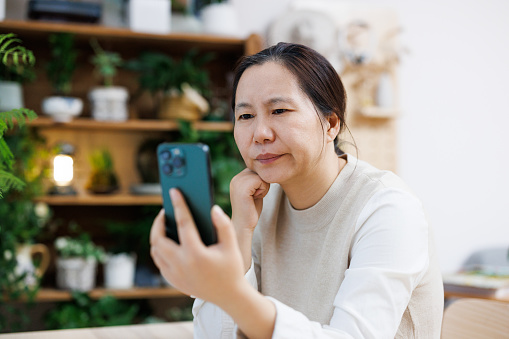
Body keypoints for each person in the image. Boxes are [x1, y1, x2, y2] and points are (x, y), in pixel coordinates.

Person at [150, 42, 444, 339]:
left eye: (279, 110)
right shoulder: (261, 202)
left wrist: (228, 292)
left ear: (331, 124)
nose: (260, 134)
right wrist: (240, 229)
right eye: (246, 116)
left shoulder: (389, 209)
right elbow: (218, 334)